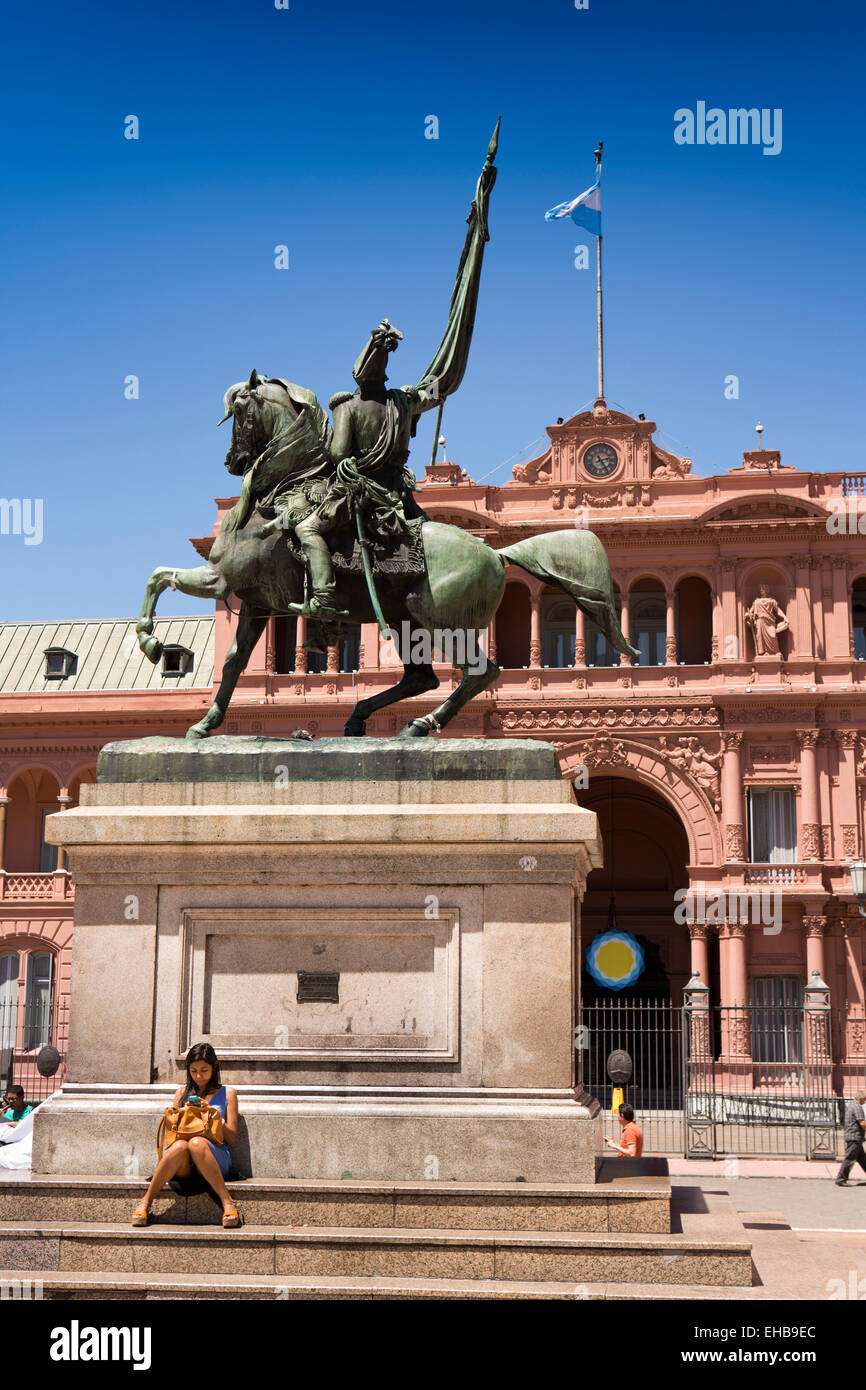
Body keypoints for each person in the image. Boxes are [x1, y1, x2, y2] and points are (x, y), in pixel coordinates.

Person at [131, 1043, 241, 1228]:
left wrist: (213, 1116)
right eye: (194, 1070)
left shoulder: (228, 1093)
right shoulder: (181, 1093)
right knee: (182, 1146)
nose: (199, 1076)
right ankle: (146, 1201)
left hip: (215, 1156)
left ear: (214, 1068)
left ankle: (227, 1202)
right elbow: (172, 1137)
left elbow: (230, 1138)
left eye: (205, 1070)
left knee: (197, 1143)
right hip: (185, 1162)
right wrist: (183, 1114)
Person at [836, 1091, 866, 1186]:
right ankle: (841, 1179)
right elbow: (862, 1123)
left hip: (854, 1136)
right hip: (854, 1137)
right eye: (864, 1099)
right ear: (860, 1098)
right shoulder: (857, 1107)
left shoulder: (850, 1105)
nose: (865, 1101)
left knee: (863, 1160)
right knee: (849, 1159)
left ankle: (841, 1178)